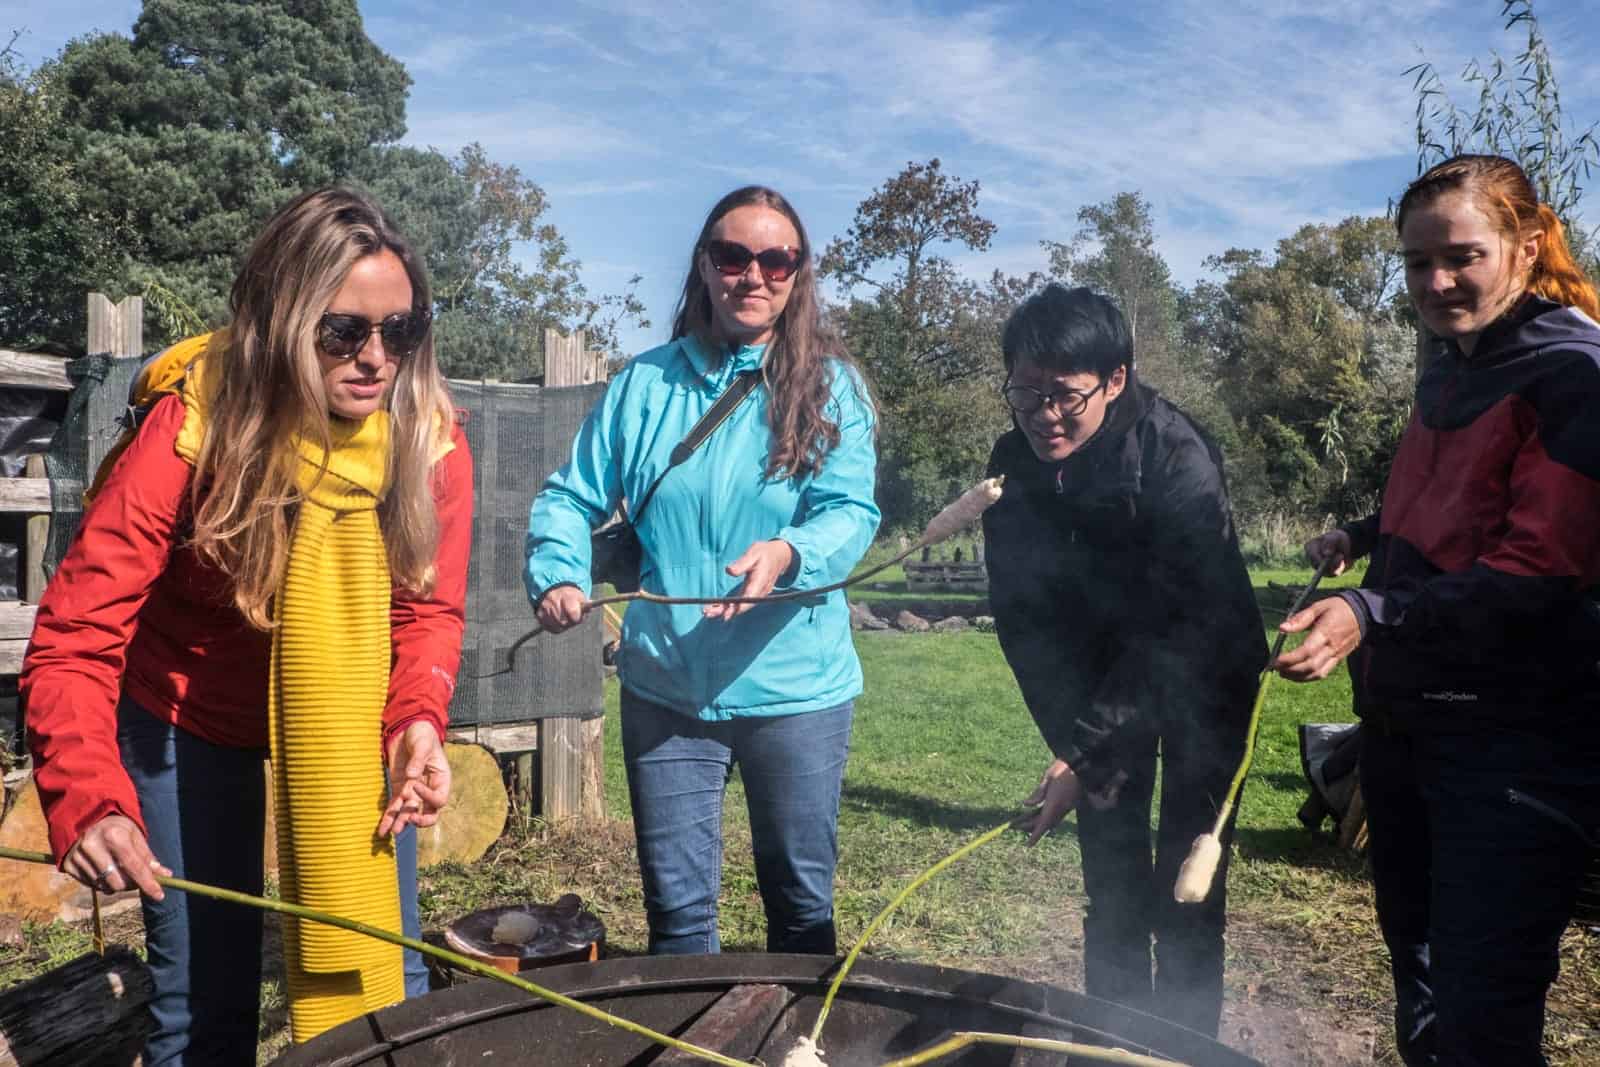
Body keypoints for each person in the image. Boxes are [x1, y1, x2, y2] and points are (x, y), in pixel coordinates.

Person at [22, 187, 472, 1064]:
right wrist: (87, 798)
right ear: (280, 320)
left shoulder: (429, 437)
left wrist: (418, 717)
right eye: (343, 331)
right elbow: (76, 637)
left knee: (385, 986)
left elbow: (427, 610)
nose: (376, 358)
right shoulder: (192, 425)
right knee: (204, 1008)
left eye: (402, 331)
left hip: (344, 724)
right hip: (189, 713)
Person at [1276, 154, 1600, 1067]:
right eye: (1417, 264)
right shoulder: (1454, 366)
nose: (1437, 283)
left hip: (1514, 745)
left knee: (1483, 1014)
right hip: (1410, 729)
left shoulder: (1573, 375)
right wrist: (1365, 531)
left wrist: (1369, 612)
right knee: (1416, 978)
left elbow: (1540, 570)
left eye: (1461, 256)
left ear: (1527, 247)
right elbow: (1456, 516)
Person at [525, 186, 879, 956]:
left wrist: (790, 554)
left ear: (797, 274)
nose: (753, 275)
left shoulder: (831, 388)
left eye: (775, 259)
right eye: (734, 255)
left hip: (796, 692)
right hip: (666, 688)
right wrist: (557, 571)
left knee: (799, 903)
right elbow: (567, 497)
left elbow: (851, 512)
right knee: (679, 919)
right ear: (705, 267)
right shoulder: (644, 385)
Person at [981, 283, 1265, 1037]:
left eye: (1064, 396)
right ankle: (1109, 1042)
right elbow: (1024, 617)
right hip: (1100, 679)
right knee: (1109, 881)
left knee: (1186, 884)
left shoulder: (1178, 457)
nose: (1044, 415)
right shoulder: (1013, 462)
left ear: (1116, 379)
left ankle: (1181, 1045)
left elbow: (1182, 627)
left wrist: (1087, 743)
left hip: (1206, 669)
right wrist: (1069, 744)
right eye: (1025, 392)